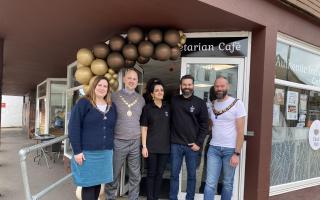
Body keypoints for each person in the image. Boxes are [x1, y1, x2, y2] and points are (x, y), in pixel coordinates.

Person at [68, 76, 117, 200]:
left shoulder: (112, 107)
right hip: (87, 154)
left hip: (105, 153)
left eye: (105, 86)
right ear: (93, 86)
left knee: (98, 185)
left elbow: (112, 128)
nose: (102, 88)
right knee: (88, 185)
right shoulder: (84, 103)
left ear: (108, 90)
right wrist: (77, 151)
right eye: (99, 85)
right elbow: (74, 127)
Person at [204, 76, 246, 200]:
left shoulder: (237, 103)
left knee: (227, 184)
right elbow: (210, 126)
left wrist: (236, 153)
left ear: (228, 87)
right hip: (213, 149)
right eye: (217, 86)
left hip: (230, 150)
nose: (219, 88)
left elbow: (240, 131)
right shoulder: (213, 105)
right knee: (210, 183)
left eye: (222, 86)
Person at [106, 68, 145, 200]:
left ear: (137, 81)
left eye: (134, 79)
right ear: (124, 79)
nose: (132, 81)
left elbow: (142, 122)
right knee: (113, 174)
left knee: (135, 175)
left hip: (135, 141)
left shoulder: (141, 100)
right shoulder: (114, 96)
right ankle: (110, 197)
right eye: (129, 78)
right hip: (118, 141)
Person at [170, 74, 209, 200]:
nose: (187, 87)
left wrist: (198, 143)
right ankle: (173, 198)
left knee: (192, 176)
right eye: (184, 84)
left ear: (193, 86)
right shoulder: (174, 101)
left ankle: (189, 198)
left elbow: (204, 125)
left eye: (189, 84)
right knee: (174, 175)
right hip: (175, 144)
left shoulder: (200, 103)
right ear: (181, 86)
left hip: (192, 146)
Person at [140, 80, 170, 200]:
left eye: (161, 90)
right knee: (151, 174)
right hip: (151, 147)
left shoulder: (168, 107)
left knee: (159, 174)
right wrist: (144, 146)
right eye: (156, 90)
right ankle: (150, 198)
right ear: (152, 94)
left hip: (165, 147)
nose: (159, 92)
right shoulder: (147, 108)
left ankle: (155, 197)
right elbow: (144, 128)